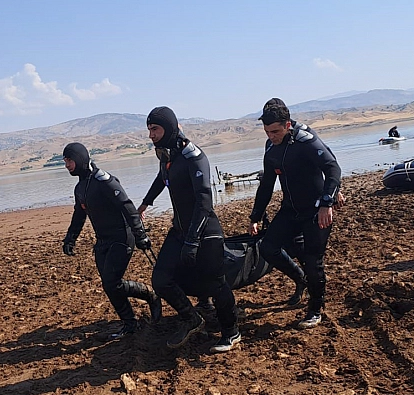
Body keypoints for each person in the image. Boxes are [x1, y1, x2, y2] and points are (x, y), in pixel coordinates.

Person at [137, 106, 240, 353]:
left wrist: (193, 240)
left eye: (155, 129)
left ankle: (231, 332)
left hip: (205, 230)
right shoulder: (168, 155)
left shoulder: (194, 157)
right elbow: (162, 178)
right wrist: (145, 204)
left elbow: (205, 200)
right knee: (161, 279)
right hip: (181, 230)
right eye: (149, 129)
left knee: (216, 284)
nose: (151, 134)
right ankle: (191, 318)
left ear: (170, 128)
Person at [248, 98, 341, 329]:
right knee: (268, 247)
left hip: (315, 208)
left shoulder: (306, 141)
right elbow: (267, 183)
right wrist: (255, 216)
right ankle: (301, 280)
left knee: (313, 259)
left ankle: (315, 309)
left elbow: (332, 168)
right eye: (267, 132)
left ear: (287, 124)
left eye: (276, 131)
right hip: (290, 208)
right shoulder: (270, 147)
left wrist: (327, 202)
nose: (271, 136)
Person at [61, 142, 162, 341]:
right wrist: (70, 238)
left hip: (122, 237)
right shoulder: (80, 187)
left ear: (80, 158)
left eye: (70, 160)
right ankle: (130, 323)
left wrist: (140, 235)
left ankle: (150, 296)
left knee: (111, 281)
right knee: (110, 285)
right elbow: (79, 215)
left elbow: (127, 207)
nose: (67, 165)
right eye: (65, 161)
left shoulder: (104, 180)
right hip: (103, 241)